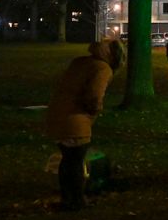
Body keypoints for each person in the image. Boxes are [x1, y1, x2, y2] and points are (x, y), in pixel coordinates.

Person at [46, 39, 125, 210]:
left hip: (58, 114)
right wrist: (95, 110)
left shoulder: (80, 62)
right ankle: (77, 201)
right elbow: (94, 96)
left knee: (67, 161)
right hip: (76, 120)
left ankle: (67, 198)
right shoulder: (102, 69)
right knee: (75, 162)